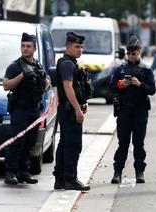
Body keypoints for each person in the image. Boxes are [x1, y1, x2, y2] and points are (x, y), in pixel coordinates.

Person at [110, 35, 156, 184]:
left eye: (134, 53)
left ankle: (139, 172)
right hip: (124, 110)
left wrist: (139, 84)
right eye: (128, 53)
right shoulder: (120, 69)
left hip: (140, 111)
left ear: (139, 52)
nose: (131, 56)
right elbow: (111, 88)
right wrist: (120, 85)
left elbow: (152, 90)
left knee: (138, 143)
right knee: (122, 143)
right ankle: (117, 172)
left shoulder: (146, 70)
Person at [3, 32, 48, 185]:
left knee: (30, 142)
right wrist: (22, 76)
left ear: (34, 48)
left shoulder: (37, 64)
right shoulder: (15, 65)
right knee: (17, 142)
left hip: (34, 109)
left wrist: (43, 80)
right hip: (20, 109)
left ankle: (23, 172)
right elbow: (6, 85)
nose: (25, 49)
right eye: (23, 46)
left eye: (28, 46)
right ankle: (10, 172)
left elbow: (46, 82)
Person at [53, 32, 92, 191]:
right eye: (77, 46)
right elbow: (68, 88)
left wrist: (83, 103)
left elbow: (76, 87)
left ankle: (61, 179)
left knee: (65, 144)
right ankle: (70, 179)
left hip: (69, 110)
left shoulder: (70, 63)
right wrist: (77, 109)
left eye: (81, 46)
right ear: (68, 47)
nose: (80, 49)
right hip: (69, 111)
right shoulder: (67, 64)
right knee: (73, 145)